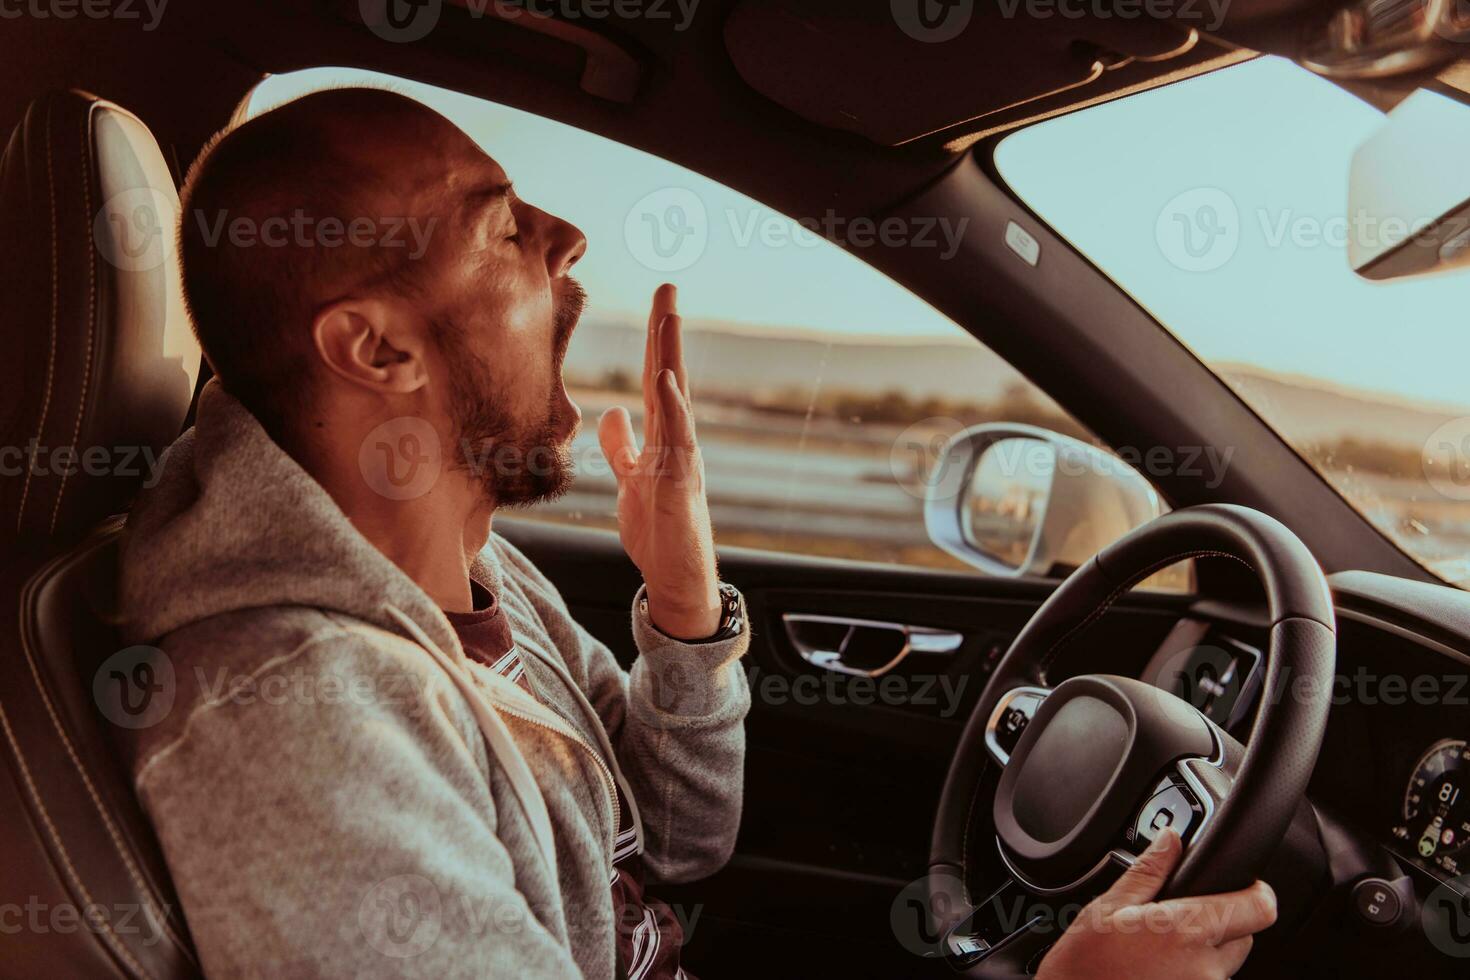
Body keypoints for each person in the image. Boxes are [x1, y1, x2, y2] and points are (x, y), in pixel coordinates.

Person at [118, 87, 1275, 979]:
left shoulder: (474, 577)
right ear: (377, 351)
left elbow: (673, 843)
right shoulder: (295, 718)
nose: (568, 238)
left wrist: (682, 601)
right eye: (505, 226)